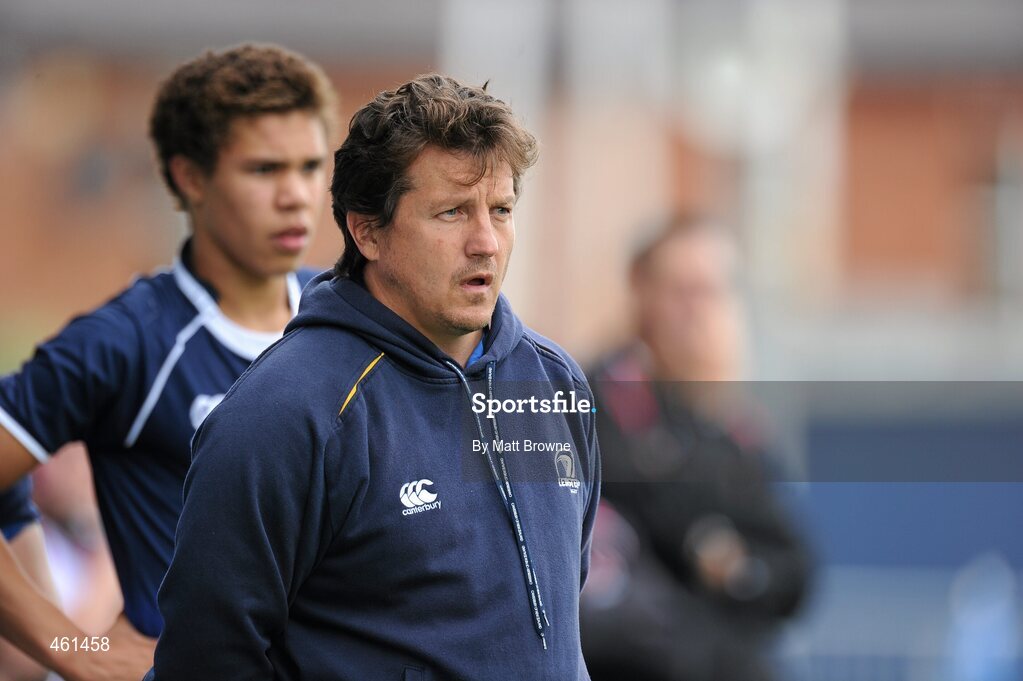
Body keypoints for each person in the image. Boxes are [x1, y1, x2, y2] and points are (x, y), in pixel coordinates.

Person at [147, 74, 601, 680]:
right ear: (367, 231)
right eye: (452, 212)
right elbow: (204, 658)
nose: (486, 243)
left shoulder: (554, 384)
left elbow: (564, 610)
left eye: (501, 210)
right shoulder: (286, 413)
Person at [0, 43, 337, 680]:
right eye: (265, 170)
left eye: (311, 166)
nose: (296, 195)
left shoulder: (355, 322)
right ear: (190, 178)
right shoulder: (126, 342)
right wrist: (73, 650)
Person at [580, 216, 811, 681]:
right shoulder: (591, 401)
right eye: (682, 291)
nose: (699, 311)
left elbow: (795, 573)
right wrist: (702, 541)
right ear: (642, 295)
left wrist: (737, 570)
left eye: (713, 292)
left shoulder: (736, 430)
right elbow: (654, 510)